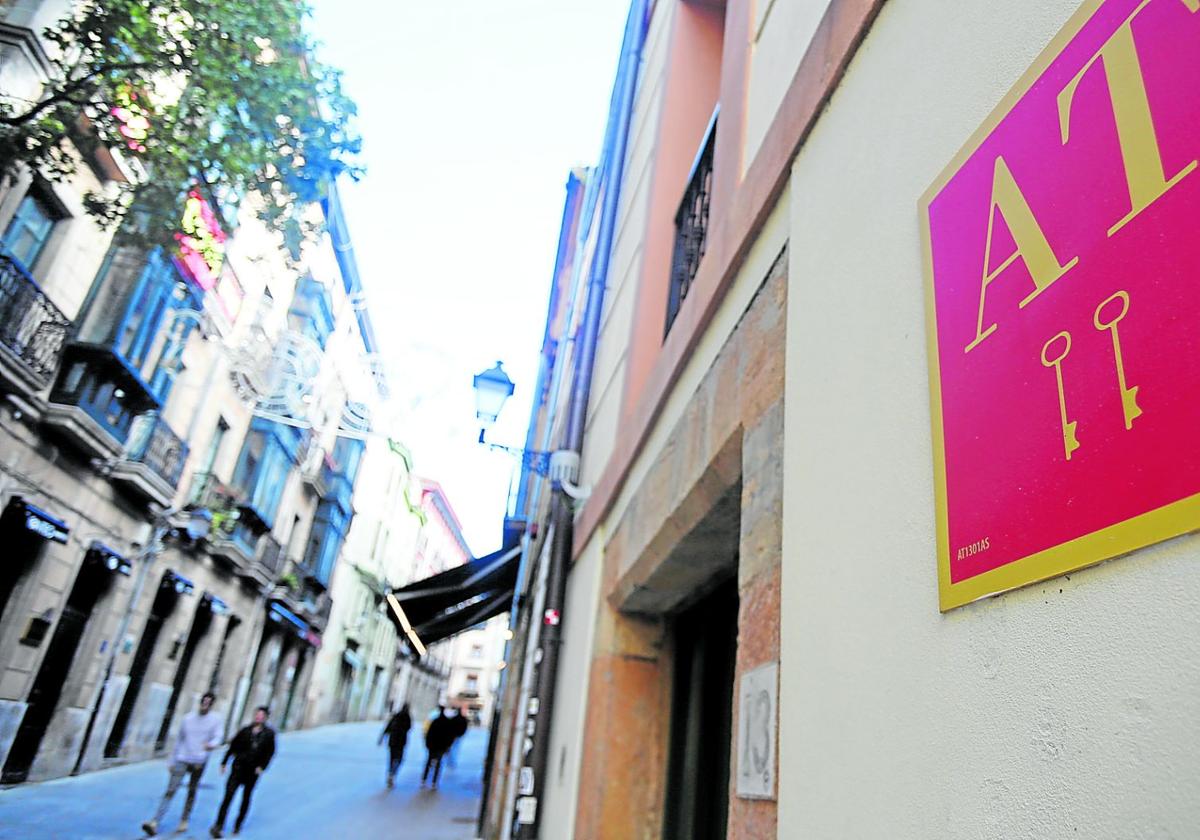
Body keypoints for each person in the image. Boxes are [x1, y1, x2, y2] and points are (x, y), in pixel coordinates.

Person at [142, 691, 223, 837]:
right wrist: (172, 760)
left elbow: (218, 736)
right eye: (203, 702)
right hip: (182, 757)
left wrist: (211, 745)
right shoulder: (188, 718)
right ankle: (155, 821)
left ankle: (184, 819)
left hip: (199, 760)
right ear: (200, 702)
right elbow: (179, 740)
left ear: (211, 705)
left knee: (192, 790)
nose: (205, 705)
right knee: (171, 789)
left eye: (208, 703)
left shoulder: (215, 720)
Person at [209, 706, 276, 838]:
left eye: (262, 715)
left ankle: (237, 825)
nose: (258, 717)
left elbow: (270, 752)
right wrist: (224, 762)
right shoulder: (245, 730)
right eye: (257, 714)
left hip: (252, 771)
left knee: (246, 797)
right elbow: (232, 746)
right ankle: (218, 825)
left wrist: (262, 767)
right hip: (238, 768)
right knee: (228, 796)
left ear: (265, 718)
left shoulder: (269, 734)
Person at [421, 707, 456, 790]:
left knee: (429, 762)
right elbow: (450, 736)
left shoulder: (435, 721)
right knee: (438, 764)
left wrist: (428, 744)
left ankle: (424, 780)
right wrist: (448, 746)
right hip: (441, 747)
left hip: (433, 746)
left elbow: (429, 734)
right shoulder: (447, 723)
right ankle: (434, 782)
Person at [378, 704, 412, 789]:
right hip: (401, 742)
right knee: (399, 759)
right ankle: (393, 773)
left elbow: (387, 727)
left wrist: (382, 738)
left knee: (392, 758)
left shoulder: (396, 716)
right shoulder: (407, 718)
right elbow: (409, 728)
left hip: (392, 741)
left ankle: (390, 773)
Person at [444, 705, 469, 769]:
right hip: (456, 736)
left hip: (454, 736)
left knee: (452, 749)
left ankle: (450, 762)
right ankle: (451, 762)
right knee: (454, 749)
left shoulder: (455, 718)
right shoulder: (463, 719)